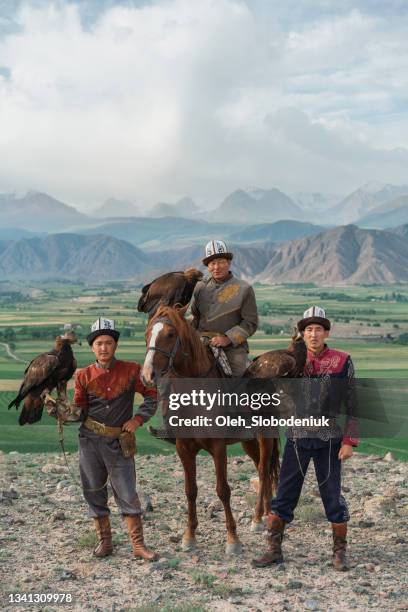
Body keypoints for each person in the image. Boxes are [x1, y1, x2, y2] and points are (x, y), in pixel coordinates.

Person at [252, 306, 358, 571]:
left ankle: (339, 553)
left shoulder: (343, 361)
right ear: (302, 333)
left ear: (326, 332)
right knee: (284, 495)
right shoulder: (289, 361)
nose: (313, 334)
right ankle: (273, 550)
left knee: (332, 497)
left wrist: (349, 440)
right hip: (298, 436)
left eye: (318, 329)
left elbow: (353, 402)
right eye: (308, 329)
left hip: (330, 440)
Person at [74, 317, 158, 561]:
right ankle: (105, 542)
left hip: (119, 442)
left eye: (108, 342)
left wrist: (137, 420)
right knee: (93, 490)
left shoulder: (131, 370)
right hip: (89, 441)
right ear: (92, 347)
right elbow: (79, 409)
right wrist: (63, 412)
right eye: (99, 343)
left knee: (127, 491)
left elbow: (152, 396)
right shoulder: (83, 376)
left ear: (115, 345)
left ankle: (138, 546)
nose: (103, 348)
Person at [190, 239, 258, 376]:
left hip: (232, 348)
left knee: (239, 381)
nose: (216, 267)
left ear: (229, 263)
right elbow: (195, 317)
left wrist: (227, 339)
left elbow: (250, 323)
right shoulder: (199, 288)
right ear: (207, 266)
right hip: (200, 343)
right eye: (212, 263)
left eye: (221, 262)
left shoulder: (244, 289)